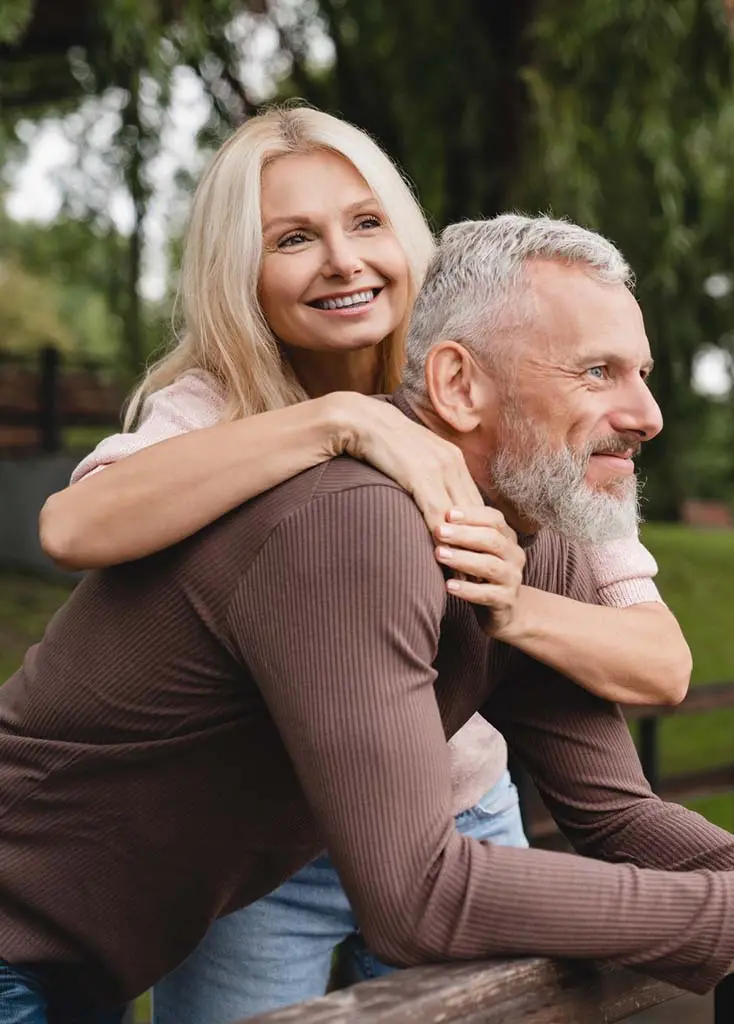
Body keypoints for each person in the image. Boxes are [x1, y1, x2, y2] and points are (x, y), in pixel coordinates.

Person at [0, 213, 734, 1024]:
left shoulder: (531, 534)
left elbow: (614, 809)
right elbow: (416, 895)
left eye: (641, 372)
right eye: (598, 373)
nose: (646, 414)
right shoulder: (354, 526)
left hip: (76, 967)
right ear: (460, 385)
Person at [33, 107, 692, 1022]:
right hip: (268, 848)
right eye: (294, 238)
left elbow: (660, 664)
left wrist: (518, 607)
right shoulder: (213, 413)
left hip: (458, 815)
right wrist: (335, 422)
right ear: (242, 273)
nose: (342, 260)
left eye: (367, 221)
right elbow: (74, 530)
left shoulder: (519, 421)